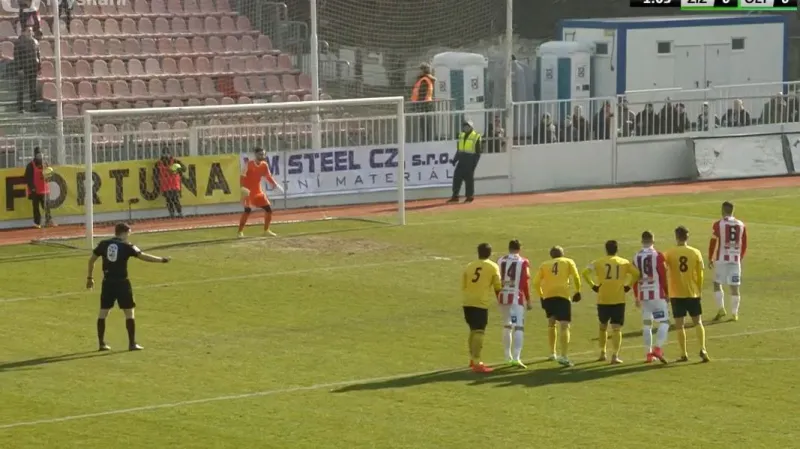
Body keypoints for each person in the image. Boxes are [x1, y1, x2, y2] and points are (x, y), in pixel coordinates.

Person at [87, 223, 171, 351]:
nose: (129, 235)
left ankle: (101, 344)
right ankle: (132, 344)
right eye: (129, 232)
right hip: (122, 283)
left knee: (103, 312)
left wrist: (90, 278)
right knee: (129, 312)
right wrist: (162, 260)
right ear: (124, 232)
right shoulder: (127, 246)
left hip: (107, 282)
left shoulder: (103, 244)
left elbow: (91, 260)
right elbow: (143, 256)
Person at [582, 240, 640, 364]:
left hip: (603, 298)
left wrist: (593, 286)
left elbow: (585, 273)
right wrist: (628, 286)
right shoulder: (624, 262)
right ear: (617, 249)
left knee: (603, 326)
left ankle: (602, 353)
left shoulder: (598, 262)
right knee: (616, 328)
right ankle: (615, 355)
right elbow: (636, 274)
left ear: (606, 249)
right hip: (618, 299)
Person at [665, 226, 710, 363]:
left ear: (676, 237)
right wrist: (699, 289)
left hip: (676, 293)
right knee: (698, 322)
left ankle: (683, 353)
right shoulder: (695, 252)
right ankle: (703, 348)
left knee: (680, 325)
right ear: (687, 237)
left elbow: (663, 270)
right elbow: (701, 274)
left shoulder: (669, 253)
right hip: (692, 292)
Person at [532, 246, 582, 367]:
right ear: (562, 254)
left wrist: (541, 296)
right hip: (563, 295)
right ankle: (564, 356)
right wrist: (577, 291)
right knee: (564, 325)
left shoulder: (544, 264)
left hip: (548, 295)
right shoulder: (568, 261)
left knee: (551, 322)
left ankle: (552, 353)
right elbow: (576, 277)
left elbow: (535, 282)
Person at [461, 242, 502, 373]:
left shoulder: (469, 266)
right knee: (479, 331)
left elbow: (463, 284)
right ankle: (477, 362)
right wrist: (501, 300)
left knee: (473, 330)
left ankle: (473, 359)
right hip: (480, 302)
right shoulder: (492, 266)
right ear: (490, 253)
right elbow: (498, 287)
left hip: (467, 301)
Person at [632, 231, 670, 364]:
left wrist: (636, 295)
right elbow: (663, 275)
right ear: (653, 241)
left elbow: (634, 278)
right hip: (657, 294)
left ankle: (648, 354)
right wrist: (667, 292)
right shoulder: (658, 255)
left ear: (642, 241)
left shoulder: (636, 256)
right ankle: (658, 348)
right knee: (664, 322)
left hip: (644, 295)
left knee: (647, 325)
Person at [709, 201, 747, 322]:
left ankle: (721, 309)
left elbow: (713, 242)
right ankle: (734, 314)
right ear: (732, 210)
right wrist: (740, 257)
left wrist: (710, 257)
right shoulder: (741, 224)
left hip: (721, 259)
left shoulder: (718, 224)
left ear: (722, 210)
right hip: (735, 261)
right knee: (735, 287)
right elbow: (744, 244)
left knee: (717, 283)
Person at [496, 239, 532, 368]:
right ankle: (516, 357)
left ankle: (507, 357)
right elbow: (525, 282)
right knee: (518, 326)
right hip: (515, 298)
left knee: (506, 325)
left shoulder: (500, 260)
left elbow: (496, 278)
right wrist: (528, 299)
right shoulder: (523, 262)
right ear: (519, 248)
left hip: (502, 296)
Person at [238, 148, 283, 238]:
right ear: (255, 154)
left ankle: (266, 230)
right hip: (248, 192)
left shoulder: (264, 165)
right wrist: (242, 187)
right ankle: (240, 232)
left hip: (258, 192)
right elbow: (242, 176)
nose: (262, 156)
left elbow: (268, 176)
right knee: (247, 211)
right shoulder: (249, 164)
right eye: (260, 154)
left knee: (268, 210)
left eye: (263, 154)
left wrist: (275, 185)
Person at [447, 120, 482, 204]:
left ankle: (469, 197)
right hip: (462, 159)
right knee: (456, 178)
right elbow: (459, 150)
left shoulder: (476, 136)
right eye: (464, 126)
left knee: (469, 179)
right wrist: (454, 160)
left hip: (470, 160)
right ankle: (455, 196)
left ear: (471, 127)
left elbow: (478, 153)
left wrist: (474, 164)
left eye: (467, 126)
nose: (465, 127)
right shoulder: (461, 135)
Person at [24, 147, 53, 228]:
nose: (40, 156)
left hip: (44, 190)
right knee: (36, 207)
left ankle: (48, 220)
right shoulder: (30, 165)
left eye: (41, 154)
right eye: (38, 154)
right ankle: (37, 223)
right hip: (35, 191)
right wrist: (32, 187)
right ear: (35, 155)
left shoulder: (45, 164)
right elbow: (27, 177)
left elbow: (49, 176)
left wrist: (49, 175)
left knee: (46, 206)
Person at [13, 26, 40, 113]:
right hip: (24, 68)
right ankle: (20, 107)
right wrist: (19, 68)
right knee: (21, 88)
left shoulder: (35, 42)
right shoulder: (19, 43)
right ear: (24, 32)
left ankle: (33, 106)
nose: (30, 32)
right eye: (28, 31)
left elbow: (38, 55)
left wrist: (39, 67)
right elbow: (17, 57)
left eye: (31, 31)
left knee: (33, 88)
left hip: (33, 67)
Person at [155, 149, 185, 218]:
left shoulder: (175, 161)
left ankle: (180, 213)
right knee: (168, 200)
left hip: (174, 184)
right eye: (164, 153)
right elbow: (155, 174)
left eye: (167, 153)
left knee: (175, 199)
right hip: (165, 185)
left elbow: (184, 168)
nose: (166, 155)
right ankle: (172, 214)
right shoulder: (159, 163)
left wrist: (177, 169)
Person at [409, 62, 435, 141]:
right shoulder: (425, 79)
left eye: (420, 69)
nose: (418, 71)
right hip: (425, 105)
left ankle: (426, 139)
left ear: (423, 70)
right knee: (425, 124)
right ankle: (426, 138)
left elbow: (422, 94)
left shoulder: (424, 80)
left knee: (424, 124)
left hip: (424, 105)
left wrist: (417, 105)